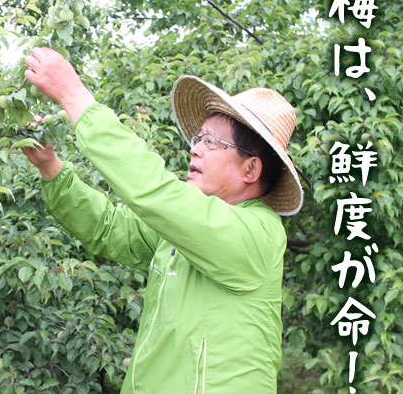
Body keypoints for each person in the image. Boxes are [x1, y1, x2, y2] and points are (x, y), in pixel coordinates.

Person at [22, 47, 304, 393]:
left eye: (212, 142)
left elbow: (154, 191)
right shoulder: (182, 233)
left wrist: (73, 95)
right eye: (198, 138)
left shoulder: (258, 234)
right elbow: (109, 227)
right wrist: (52, 170)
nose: (195, 149)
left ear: (251, 169)